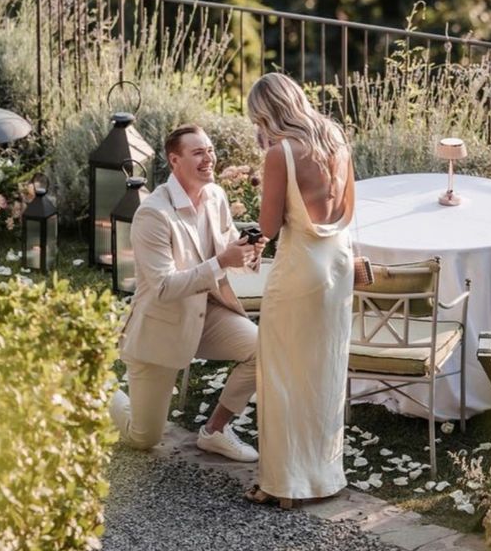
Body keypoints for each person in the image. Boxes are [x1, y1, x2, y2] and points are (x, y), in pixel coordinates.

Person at [109, 124, 266, 462]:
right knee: (143, 438)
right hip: (163, 325)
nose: (208, 158)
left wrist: (248, 254)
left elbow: (226, 257)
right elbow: (164, 287)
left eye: (209, 150)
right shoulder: (152, 213)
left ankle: (216, 431)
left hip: (207, 314)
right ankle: (102, 393)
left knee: (263, 349)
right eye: (198, 152)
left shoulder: (216, 196)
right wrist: (222, 260)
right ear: (174, 160)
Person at [244, 72, 355, 508]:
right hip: (338, 262)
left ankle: (283, 485)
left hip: (299, 270)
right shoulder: (336, 138)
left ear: (266, 113)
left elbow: (269, 227)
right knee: (325, 373)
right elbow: (344, 205)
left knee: (282, 376)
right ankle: (325, 477)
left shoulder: (280, 153)